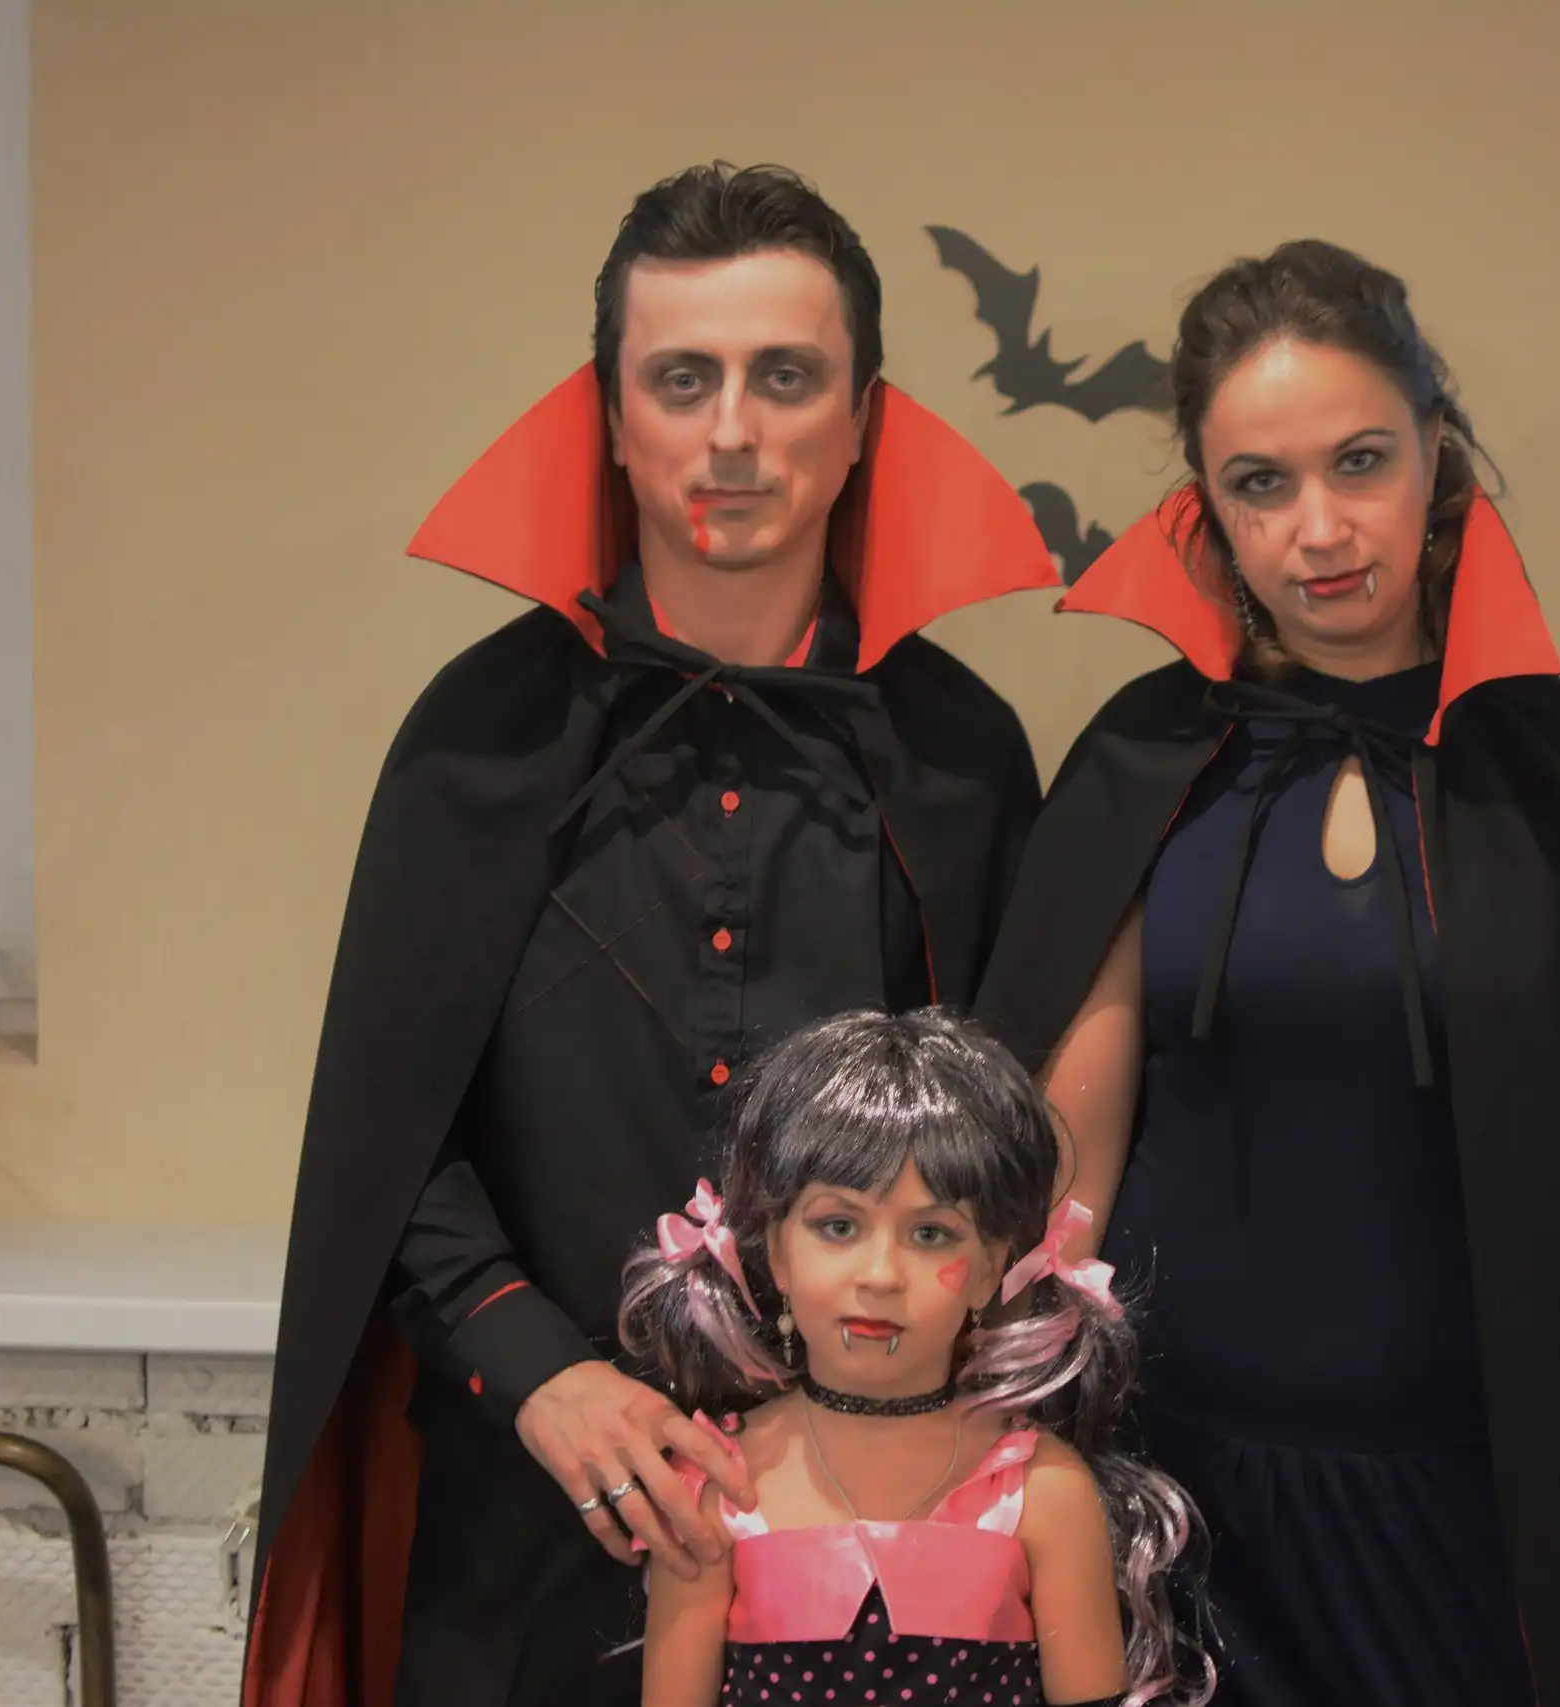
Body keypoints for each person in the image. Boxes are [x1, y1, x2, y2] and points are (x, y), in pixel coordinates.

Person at [241, 163, 1059, 1707]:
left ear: (865, 418)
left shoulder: (961, 759)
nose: (731, 432)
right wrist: (538, 1368)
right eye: (682, 379)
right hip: (524, 1517)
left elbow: (1013, 1161)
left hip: (868, 1548)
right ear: (612, 418)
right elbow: (383, 1144)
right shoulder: (476, 739)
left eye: (785, 377)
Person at [974, 240, 1560, 1704]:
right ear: (1204, 509)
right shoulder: (1146, 760)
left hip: (1487, 1516)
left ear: (1435, 453)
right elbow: (1064, 1164)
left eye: (1361, 461)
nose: (1320, 529)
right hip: (1181, 1504)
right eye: (1260, 483)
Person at [620, 1008, 1209, 1707]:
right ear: (776, 1252)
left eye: (931, 1234)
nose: (880, 1274)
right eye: (838, 1225)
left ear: (991, 1268)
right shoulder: (714, 1486)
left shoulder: (1041, 1492)